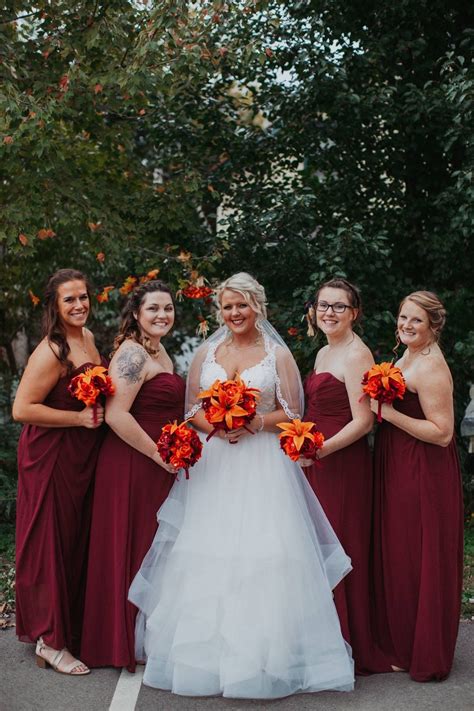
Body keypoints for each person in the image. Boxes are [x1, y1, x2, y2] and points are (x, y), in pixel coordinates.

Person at [129, 272, 354, 699]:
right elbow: (190, 408)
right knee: (205, 552)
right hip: (214, 462)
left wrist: (254, 421)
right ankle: (205, 660)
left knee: (264, 554)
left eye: (242, 306)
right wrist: (215, 422)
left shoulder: (277, 355)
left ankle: (264, 658)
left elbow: (292, 413)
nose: (234, 313)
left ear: (257, 307)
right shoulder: (206, 352)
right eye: (227, 307)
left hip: (262, 464)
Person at [81, 280, 185, 672]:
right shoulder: (132, 354)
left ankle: (142, 635)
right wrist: (160, 455)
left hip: (157, 464)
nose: (162, 315)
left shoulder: (161, 351)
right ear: (137, 314)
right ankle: (114, 639)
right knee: (129, 545)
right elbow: (116, 415)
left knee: (149, 547)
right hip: (130, 462)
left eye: (168, 309)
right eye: (154, 309)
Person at [13, 268, 105, 676]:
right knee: (49, 539)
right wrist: (78, 421)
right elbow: (22, 409)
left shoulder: (86, 339)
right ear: (54, 305)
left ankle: (64, 627)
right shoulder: (51, 350)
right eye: (69, 299)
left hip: (81, 456)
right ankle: (50, 641)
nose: (79, 305)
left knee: (72, 537)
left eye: (83, 297)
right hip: (50, 455)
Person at [372, 291, 463, 681]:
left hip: (422, 469)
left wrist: (389, 414)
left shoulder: (431, 367)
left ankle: (421, 650)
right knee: (401, 553)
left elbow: (442, 433)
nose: (406, 326)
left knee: (417, 553)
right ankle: (402, 643)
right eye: (403, 318)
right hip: (399, 463)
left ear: (434, 326)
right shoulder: (409, 354)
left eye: (416, 321)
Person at [302, 277, 390, 674]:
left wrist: (321, 449)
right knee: (318, 548)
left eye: (339, 306)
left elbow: (364, 421)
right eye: (324, 305)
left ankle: (346, 644)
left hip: (342, 463)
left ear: (354, 313)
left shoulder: (357, 354)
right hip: (317, 462)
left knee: (340, 544)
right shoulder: (323, 353)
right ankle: (322, 641)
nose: (330, 313)